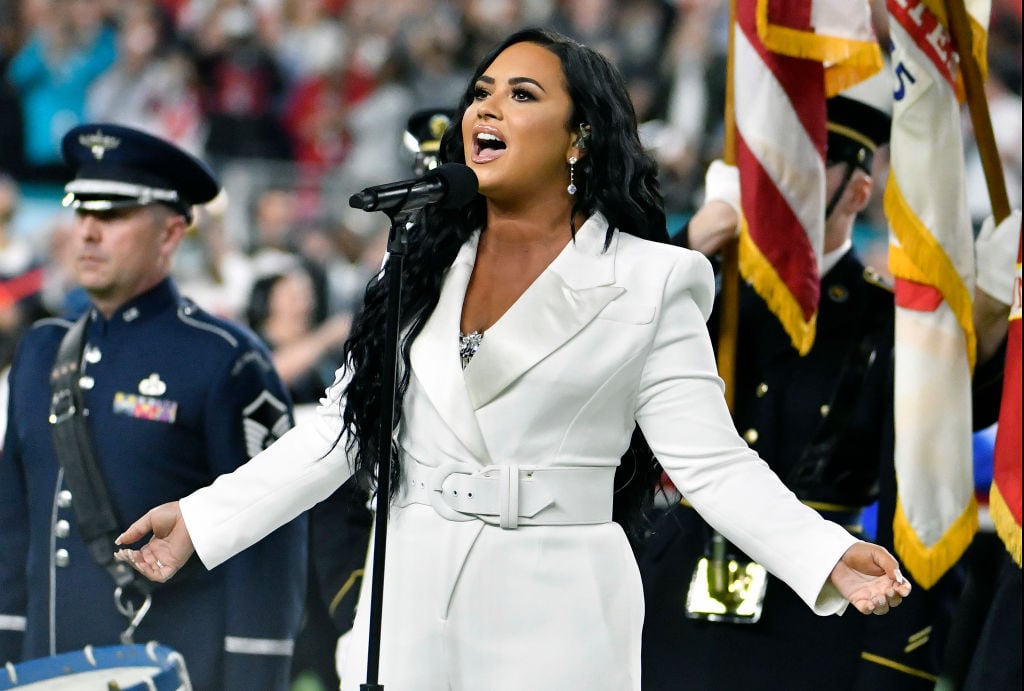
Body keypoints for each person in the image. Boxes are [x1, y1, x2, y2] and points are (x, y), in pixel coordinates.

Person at [114, 29, 910, 691]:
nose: (487, 107)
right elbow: (343, 431)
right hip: (412, 599)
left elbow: (711, 465)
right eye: (483, 91)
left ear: (580, 136)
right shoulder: (419, 260)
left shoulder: (653, 277)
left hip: (560, 609)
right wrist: (202, 518)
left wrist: (823, 552)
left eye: (523, 94)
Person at [640, 71, 1019, 690]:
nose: (779, 190)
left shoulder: (887, 322)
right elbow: (609, 358)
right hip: (675, 592)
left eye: (803, 175)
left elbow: (939, 444)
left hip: (817, 611)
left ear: (857, 188)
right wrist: (691, 245)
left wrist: (992, 317)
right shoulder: (708, 292)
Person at [0, 123, 307, 690]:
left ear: (170, 233)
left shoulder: (226, 361)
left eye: (113, 216)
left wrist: (255, 673)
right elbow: (12, 532)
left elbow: (270, 540)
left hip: (172, 671)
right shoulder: (40, 354)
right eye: (82, 211)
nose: (88, 232)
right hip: (45, 671)